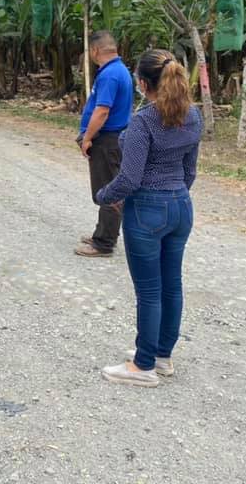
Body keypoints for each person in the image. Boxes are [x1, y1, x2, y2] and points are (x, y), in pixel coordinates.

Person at [95, 50, 202, 388]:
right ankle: (161, 356)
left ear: (143, 84)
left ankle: (142, 365)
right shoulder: (193, 115)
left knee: (149, 291)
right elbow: (190, 171)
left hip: (147, 209)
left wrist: (103, 196)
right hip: (181, 206)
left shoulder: (143, 122)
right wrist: (173, 197)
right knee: (172, 285)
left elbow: (129, 179)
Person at [74, 31, 134, 257]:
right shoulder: (119, 70)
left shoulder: (109, 75)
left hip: (107, 140)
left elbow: (102, 111)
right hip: (113, 138)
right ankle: (104, 233)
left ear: (95, 50)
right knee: (107, 187)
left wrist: (87, 137)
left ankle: (104, 243)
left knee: (108, 190)